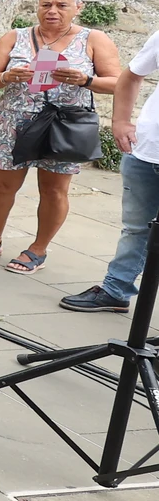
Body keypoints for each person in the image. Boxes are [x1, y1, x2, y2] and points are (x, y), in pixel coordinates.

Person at [0, 0, 121, 275]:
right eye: (46, 4)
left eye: (62, 5)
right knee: (3, 184)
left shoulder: (94, 39)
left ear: (78, 7)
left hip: (64, 123)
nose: (53, 11)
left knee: (54, 190)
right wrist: (9, 76)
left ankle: (38, 248)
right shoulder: (16, 37)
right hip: (16, 120)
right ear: (37, 7)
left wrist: (85, 80)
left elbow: (117, 83)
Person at [65, 23, 159, 312]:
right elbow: (131, 76)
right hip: (146, 151)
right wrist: (120, 120)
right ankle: (115, 290)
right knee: (135, 229)